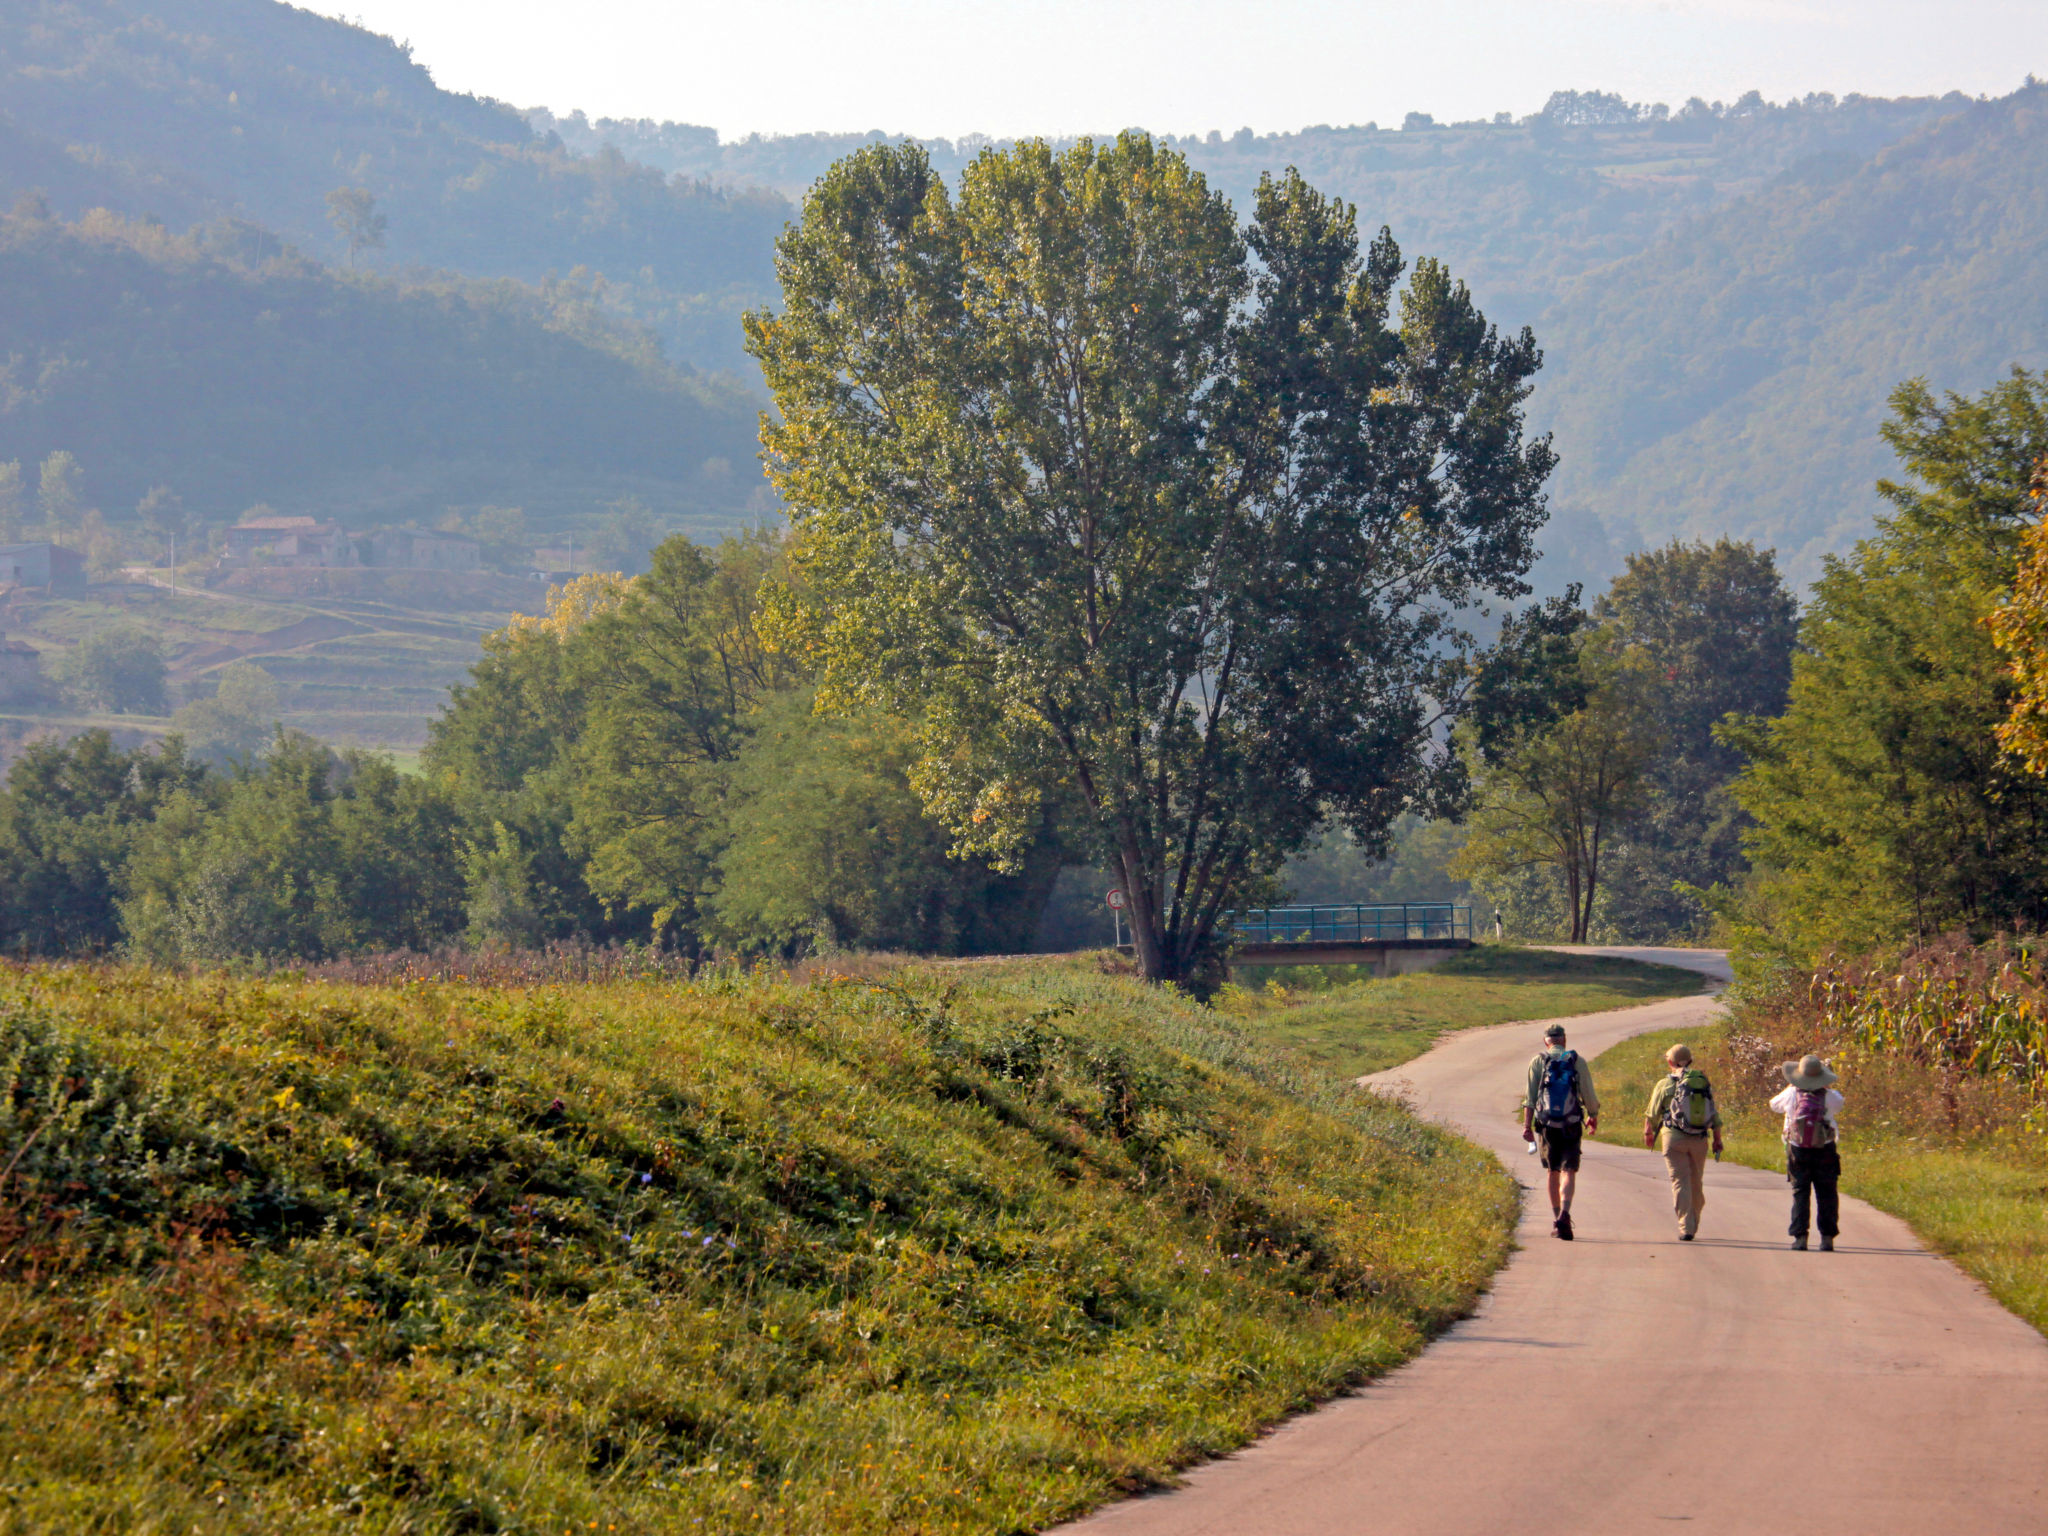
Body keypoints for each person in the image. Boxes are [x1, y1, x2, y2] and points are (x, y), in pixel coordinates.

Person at [1522, 1022, 1598, 1239]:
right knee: (1569, 1170)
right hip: (1571, 1123)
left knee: (1552, 1171)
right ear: (1564, 1039)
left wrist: (1527, 1126)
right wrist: (1593, 1115)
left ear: (1546, 1041)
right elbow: (1588, 1094)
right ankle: (1566, 1213)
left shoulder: (1538, 1061)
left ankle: (1557, 1219)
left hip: (1547, 1125)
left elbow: (1530, 1098)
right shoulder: (1576, 1061)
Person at [1642, 1043, 1723, 1241]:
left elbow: (1652, 1113)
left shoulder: (1664, 1084)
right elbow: (1713, 1113)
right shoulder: (1701, 1083)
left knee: (1680, 1181)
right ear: (1691, 1061)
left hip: (1673, 1138)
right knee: (1696, 1182)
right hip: (1699, 1139)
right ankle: (1693, 1221)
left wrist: (1648, 1132)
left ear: (1670, 1062)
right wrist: (1718, 1139)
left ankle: (1686, 1226)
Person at [1769, 1055, 1844, 1251]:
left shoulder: (1792, 1092)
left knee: (1800, 1192)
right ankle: (1827, 1238)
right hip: (1825, 1147)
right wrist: (1827, 1089)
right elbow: (1840, 1105)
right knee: (1826, 1193)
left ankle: (1800, 1237)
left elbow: (1774, 1105)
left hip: (1798, 1147)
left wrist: (1792, 1090)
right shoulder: (1830, 1095)